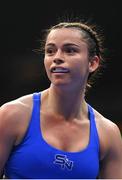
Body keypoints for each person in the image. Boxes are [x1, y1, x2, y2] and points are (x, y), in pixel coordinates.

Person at [0, 20, 122, 179]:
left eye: (70, 50)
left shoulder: (107, 133)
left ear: (92, 63)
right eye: (50, 51)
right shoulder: (12, 115)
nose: (57, 57)